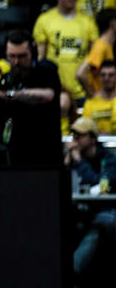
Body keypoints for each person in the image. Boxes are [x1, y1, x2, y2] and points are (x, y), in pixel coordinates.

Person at [0, 30, 60, 166]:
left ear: (32, 53)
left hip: (43, 154)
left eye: (22, 56)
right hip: (13, 156)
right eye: (12, 56)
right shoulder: (8, 79)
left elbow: (48, 95)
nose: (16, 62)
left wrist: (9, 95)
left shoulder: (46, 71)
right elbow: (1, 112)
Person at [34, 0, 99, 104]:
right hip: (56, 91)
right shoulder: (44, 20)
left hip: (82, 91)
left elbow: (94, 57)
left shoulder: (88, 22)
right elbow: (41, 58)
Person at [67, 116, 116, 277]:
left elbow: (99, 186)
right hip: (78, 210)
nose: (75, 140)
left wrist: (79, 161)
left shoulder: (109, 159)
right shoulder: (70, 157)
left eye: (79, 136)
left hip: (105, 211)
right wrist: (67, 163)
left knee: (102, 223)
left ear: (93, 138)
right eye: (73, 135)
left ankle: (71, 272)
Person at [81, 61, 116, 133]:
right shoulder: (90, 102)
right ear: (99, 77)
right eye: (103, 75)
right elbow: (85, 128)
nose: (106, 78)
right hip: (95, 143)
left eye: (111, 75)